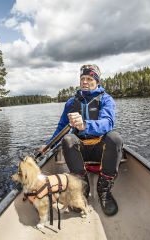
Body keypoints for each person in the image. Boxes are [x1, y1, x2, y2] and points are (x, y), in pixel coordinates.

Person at [45, 64, 123, 216]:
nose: (85, 82)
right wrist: (48, 146)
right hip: (80, 153)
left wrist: (84, 125)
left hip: (100, 151)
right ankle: (82, 185)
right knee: (67, 139)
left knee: (115, 138)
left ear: (97, 81)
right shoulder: (71, 103)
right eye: (82, 79)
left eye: (89, 78)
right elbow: (61, 128)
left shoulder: (106, 100)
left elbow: (108, 123)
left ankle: (104, 188)